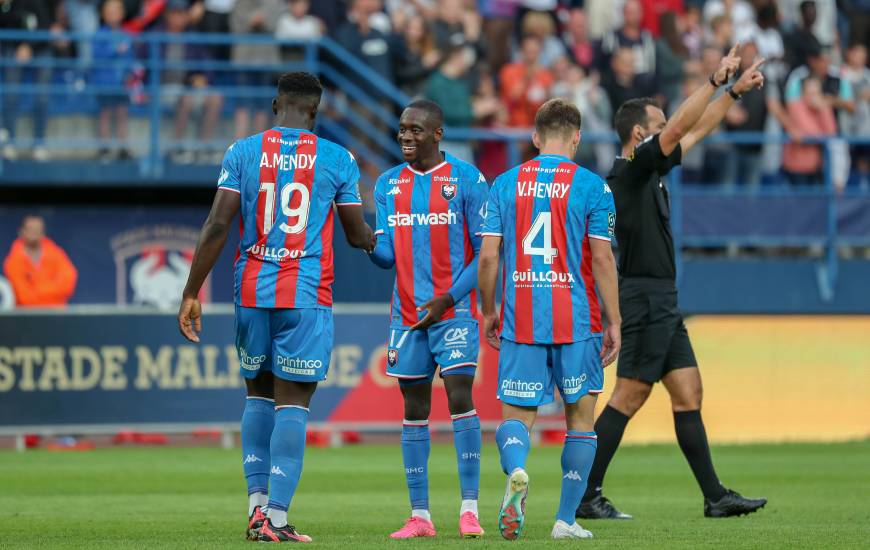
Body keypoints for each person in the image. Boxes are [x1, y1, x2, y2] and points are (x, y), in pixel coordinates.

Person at [177, 72, 375, 543]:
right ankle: (278, 519)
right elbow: (355, 234)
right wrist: (380, 237)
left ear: (274, 105)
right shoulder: (336, 158)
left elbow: (217, 224)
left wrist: (190, 292)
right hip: (303, 297)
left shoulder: (242, 152)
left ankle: (255, 510)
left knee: (257, 396)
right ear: (315, 111)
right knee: (294, 403)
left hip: (250, 292)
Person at [575, 44, 768, 521]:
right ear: (639, 135)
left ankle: (715, 497)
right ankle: (584, 493)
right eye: (659, 127)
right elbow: (684, 125)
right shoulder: (632, 173)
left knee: (688, 392)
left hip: (663, 297)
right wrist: (713, 81)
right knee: (629, 395)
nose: (668, 132)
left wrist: (733, 95)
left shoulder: (652, 170)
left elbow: (696, 129)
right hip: (643, 296)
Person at [477, 97, 621, 541]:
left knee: (516, 419)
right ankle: (565, 520)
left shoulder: (503, 184)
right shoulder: (594, 187)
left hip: (521, 319)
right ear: (577, 137)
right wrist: (614, 320)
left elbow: (487, 258)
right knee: (580, 418)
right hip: (577, 320)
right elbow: (601, 258)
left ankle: (517, 470)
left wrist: (489, 309)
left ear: (535, 138)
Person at [369, 99, 488, 540]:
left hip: (453, 311)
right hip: (407, 316)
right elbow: (385, 255)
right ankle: (420, 516)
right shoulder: (387, 185)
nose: (405, 136)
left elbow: (483, 253)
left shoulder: (467, 180)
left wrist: (449, 297)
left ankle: (469, 510)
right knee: (414, 409)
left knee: (459, 396)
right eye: (402, 129)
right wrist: (363, 239)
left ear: (438, 135)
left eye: (416, 130)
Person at [3, 215, 78, 307]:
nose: (34, 233)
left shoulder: (56, 254)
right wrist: (53, 291)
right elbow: (24, 297)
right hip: (27, 317)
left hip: (58, 315)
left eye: (38, 229)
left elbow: (67, 284)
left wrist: (37, 290)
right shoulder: (13, 262)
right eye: (31, 229)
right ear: (21, 232)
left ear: (43, 233)